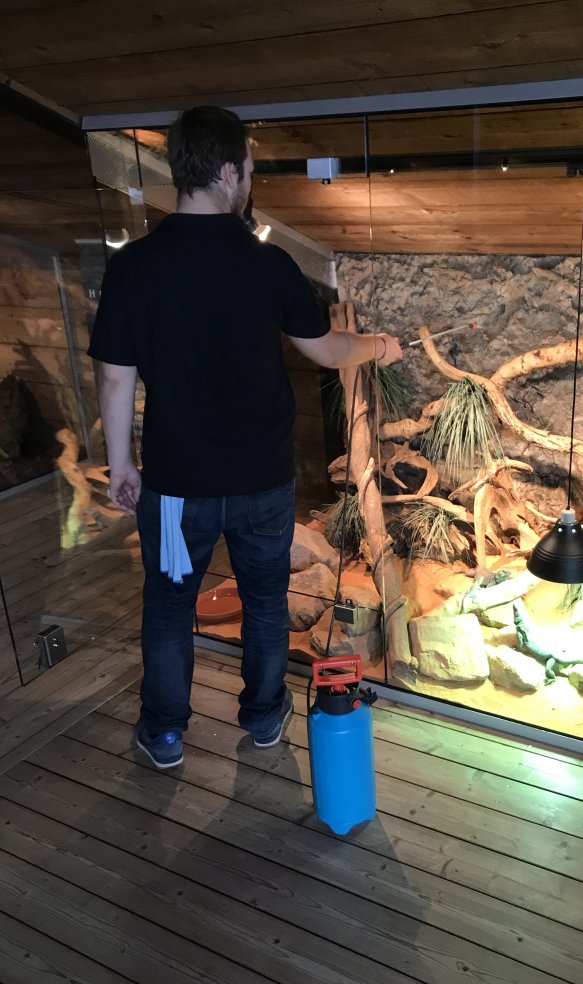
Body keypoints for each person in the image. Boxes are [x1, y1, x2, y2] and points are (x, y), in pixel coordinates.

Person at [89, 105, 401, 770]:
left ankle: (165, 733)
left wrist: (121, 463)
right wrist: (378, 344)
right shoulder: (269, 265)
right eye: (251, 168)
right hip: (261, 487)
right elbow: (325, 349)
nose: (252, 178)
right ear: (229, 171)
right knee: (264, 599)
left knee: (170, 605)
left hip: (174, 494)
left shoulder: (134, 268)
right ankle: (263, 720)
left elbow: (116, 380)